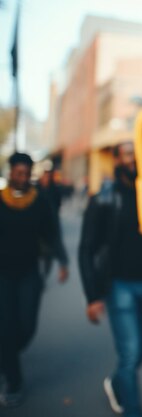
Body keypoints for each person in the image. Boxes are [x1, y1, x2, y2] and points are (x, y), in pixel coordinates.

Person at [79, 141, 142, 417]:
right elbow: (86, 248)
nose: (133, 159)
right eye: (128, 154)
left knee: (140, 351)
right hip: (119, 286)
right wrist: (92, 296)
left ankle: (116, 382)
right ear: (117, 159)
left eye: (137, 154)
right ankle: (132, 410)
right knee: (130, 354)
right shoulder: (104, 197)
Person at [0, 152, 69, 407]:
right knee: (6, 327)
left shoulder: (39, 201)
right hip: (3, 275)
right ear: (10, 173)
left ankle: (6, 355)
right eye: (18, 173)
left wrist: (62, 262)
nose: (22, 177)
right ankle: (13, 380)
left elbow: (52, 233)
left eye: (26, 173)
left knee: (26, 327)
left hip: (29, 273)